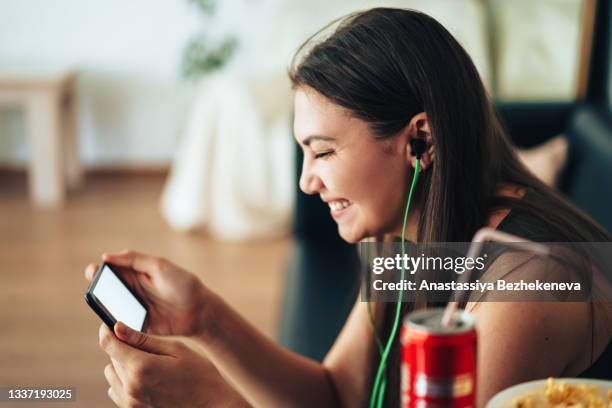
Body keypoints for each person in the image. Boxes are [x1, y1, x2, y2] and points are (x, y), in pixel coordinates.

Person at [84, 8, 612, 407]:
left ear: (420, 141)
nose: (307, 181)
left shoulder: (529, 287)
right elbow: (337, 392)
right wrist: (205, 318)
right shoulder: (411, 228)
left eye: (324, 150)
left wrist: (217, 401)